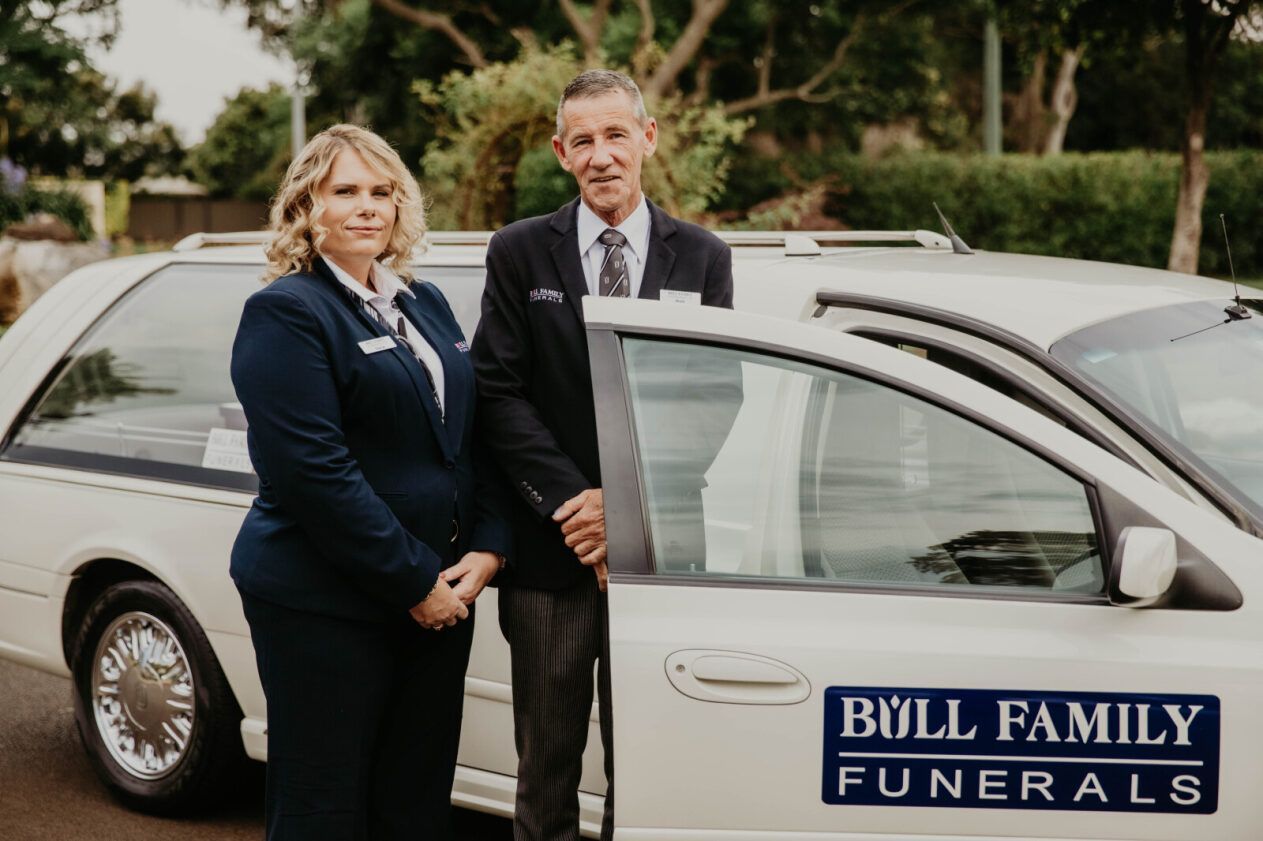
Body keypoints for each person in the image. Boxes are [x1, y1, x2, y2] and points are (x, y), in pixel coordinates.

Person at [471, 69, 735, 841]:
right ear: (561, 152)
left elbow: (713, 397)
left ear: (646, 138)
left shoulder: (702, 258)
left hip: (658, 553)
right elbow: (497, 392)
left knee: (651, 763)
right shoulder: (520, 252)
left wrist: (625, 507)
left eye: (615, 134)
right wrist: (577, 506)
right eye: (582, 141)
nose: (601, 155)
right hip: (551, 556)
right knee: (545, 767)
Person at [229, 124, 511, 841]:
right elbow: (312, 471)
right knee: (323, 805)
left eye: (381, 191)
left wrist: (488, 545)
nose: (367, 207)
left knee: (413, 802)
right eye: (344, 191)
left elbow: (470, 438)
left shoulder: (427, 302)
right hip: (325, 600)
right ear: (305, 205)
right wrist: (414, 581)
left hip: (442, 595)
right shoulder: (288, 311)